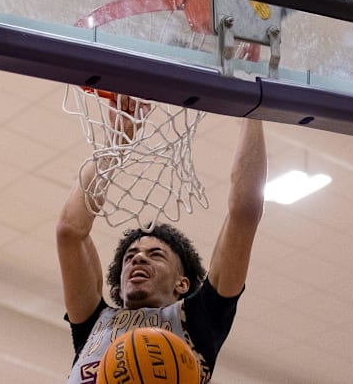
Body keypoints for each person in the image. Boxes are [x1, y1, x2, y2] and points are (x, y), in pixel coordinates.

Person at [56, 95, 268, 384]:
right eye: (130, 257)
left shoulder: (199, 319)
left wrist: (249, 108)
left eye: (156, 254)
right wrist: (118, 139)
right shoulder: (96, 325)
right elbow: (70, 232)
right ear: (119, 283)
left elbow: (245, 211)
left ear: (182, 284)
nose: (139, 258)